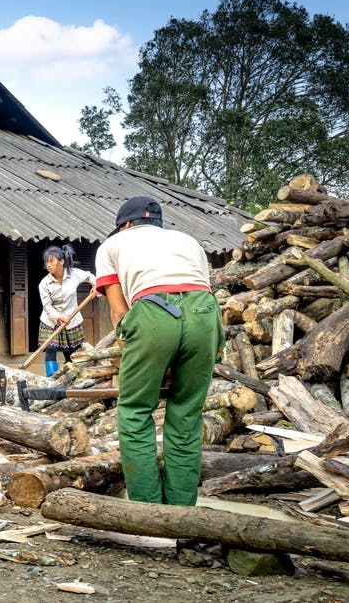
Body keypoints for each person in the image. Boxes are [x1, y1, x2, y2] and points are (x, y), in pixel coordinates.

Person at [94, 196, 222, 511]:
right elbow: (196, 292)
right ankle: (180, 513)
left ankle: (148, 513)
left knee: (136, 412)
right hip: (205, 314)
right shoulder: (189, 241)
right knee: (187, 415)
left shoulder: (113, 246)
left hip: (153, 312)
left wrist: (140, 361)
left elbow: (120, 315)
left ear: (124, 225)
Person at [37, 244, 96, 376]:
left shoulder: (74, 274)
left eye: (51, 261)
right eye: (47, 262)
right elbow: (47, 307)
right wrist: (57, 317)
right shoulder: (44, 283)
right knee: (50, 349)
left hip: (71, 319)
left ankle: (70, 378)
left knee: (71, 351)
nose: (48, 265)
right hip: (51, 321)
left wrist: (95, 286)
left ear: (62, 261)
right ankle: (51, 379)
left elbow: (89, 276)